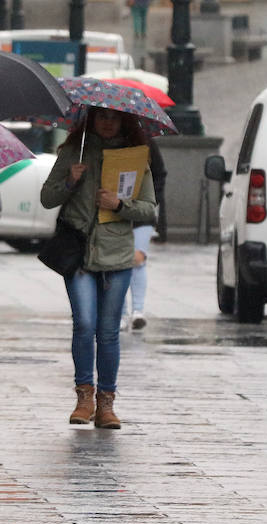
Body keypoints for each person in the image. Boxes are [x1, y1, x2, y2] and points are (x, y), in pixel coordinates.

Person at [41, 107, 157, 429]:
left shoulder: (134, 159)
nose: (107, 123)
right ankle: (84, 396)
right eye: (101, 117)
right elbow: (47, 198)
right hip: (79, 253)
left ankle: (107, 402)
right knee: (84, 323)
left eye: (114, 118)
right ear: (90, 120)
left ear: (124, 122)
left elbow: (150, 209)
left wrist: (119, 205)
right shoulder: (73, 152)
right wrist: (70, 181)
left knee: (107, 333)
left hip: (116, 255)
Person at [123, 138, 166, 330]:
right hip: (114, 210)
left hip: (142, 213)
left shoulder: (147, 142)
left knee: (138, 258)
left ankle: (137, 310)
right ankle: (121, 313)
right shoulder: (108, 141)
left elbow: (160, 174)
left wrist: (151, 202)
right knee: (117, 262)